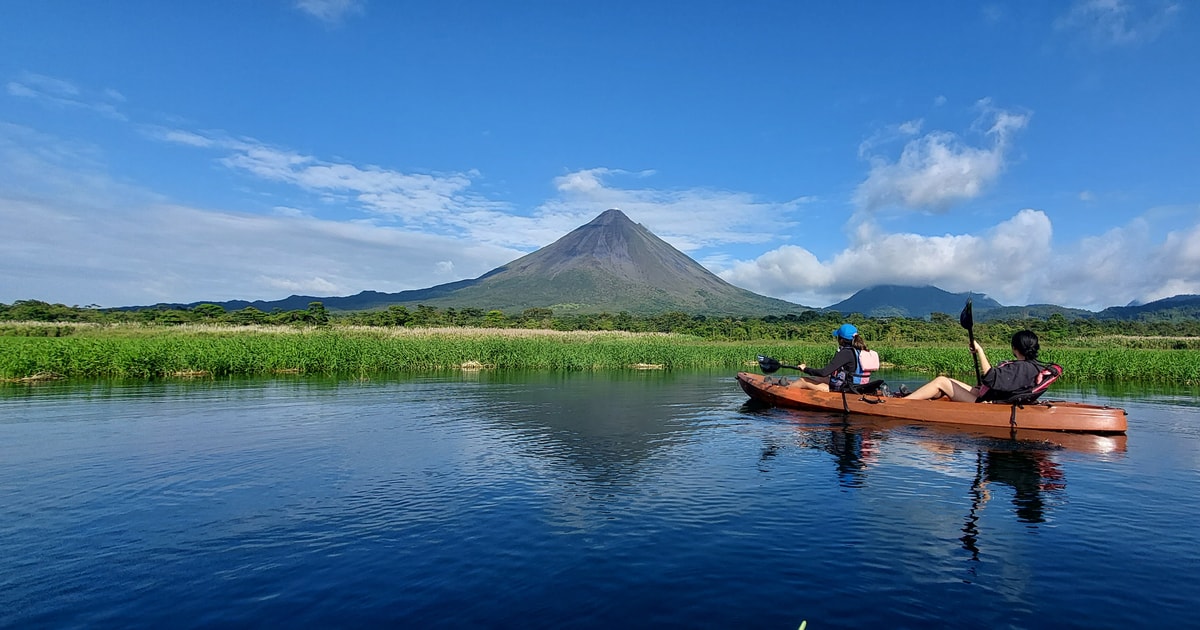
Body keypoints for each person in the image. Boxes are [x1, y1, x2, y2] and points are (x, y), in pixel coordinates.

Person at [903, 329, 1046, 402]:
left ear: (1015, 348)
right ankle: (919, 397)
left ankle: (903, 403)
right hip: (986, 395)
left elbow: (990, 377)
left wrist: (980, 351)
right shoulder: (1034, 366)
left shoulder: (1020, 368)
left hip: (985, 403)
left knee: (941, 381)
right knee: (949, 381)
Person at [790, 323, 874, 392]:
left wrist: (805, 369)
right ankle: (789, 385)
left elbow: (824, 372)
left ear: (841, 340)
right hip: (859, 387)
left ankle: (782, 390)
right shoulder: (861, 351)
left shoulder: (845, 353)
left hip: (847, 389)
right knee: (818, 378)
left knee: (802, 381)